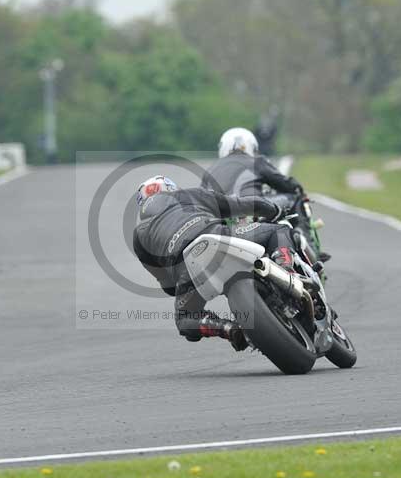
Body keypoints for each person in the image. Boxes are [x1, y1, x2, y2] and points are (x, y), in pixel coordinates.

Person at [132, 175, 299, 351]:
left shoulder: (140, 235)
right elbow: (242, 204)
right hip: (219, 235)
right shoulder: (190, 194)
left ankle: (225, 328)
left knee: (184, 319)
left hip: (187, 268)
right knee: (280, 230)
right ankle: (286, 268)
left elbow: (166, 284)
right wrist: (275, 210)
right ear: (171, 189)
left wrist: (184, 285)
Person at [201, 128, 328, 263]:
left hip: (220, 220)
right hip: (252, 211)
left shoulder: (210, 169)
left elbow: (201, 198)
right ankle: (312, 252)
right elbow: (286, 184)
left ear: (223, 147)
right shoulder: (256, 161)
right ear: (252, 147)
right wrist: (297, 186)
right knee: (295, 197)